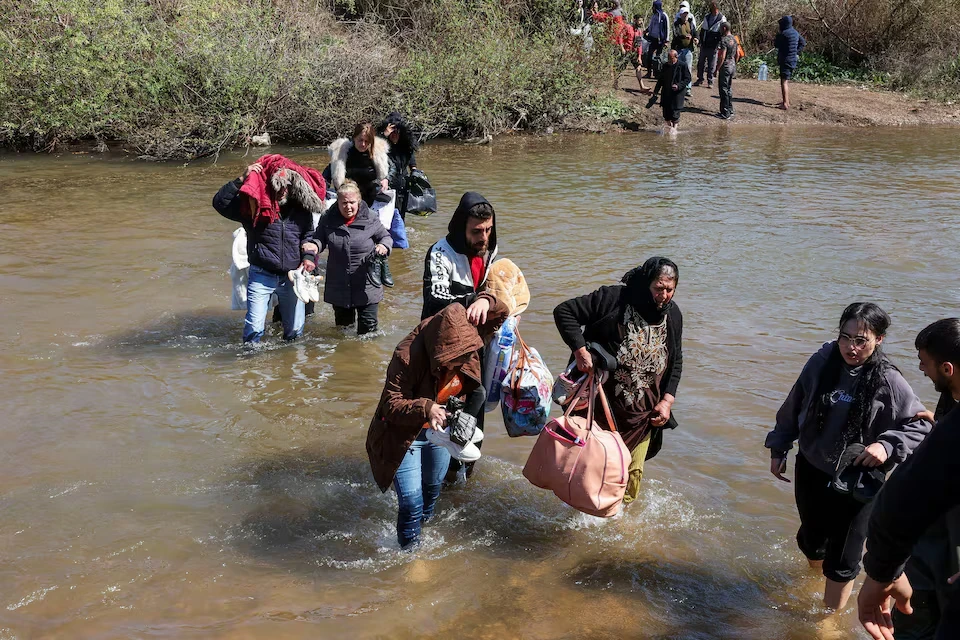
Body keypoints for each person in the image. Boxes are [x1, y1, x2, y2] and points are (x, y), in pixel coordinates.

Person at [764, 303, 932, 611]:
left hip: (857, 480)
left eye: (861, 340)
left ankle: (828, 621)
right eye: (845, 337)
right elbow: (795, 402)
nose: (851, 347)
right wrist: (779, 445)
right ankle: (823, 579)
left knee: (842, 559)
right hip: (812, 467)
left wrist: (887, 444)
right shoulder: (822, 361)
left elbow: (922, 423)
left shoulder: (888, 380)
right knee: (811, 542)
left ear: (879, 340)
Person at [365, 294, 509, 549]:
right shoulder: (407, 355)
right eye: (453, 361)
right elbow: (390, 403)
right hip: (404, 433)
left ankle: (419, 532)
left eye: (466, 357)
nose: (461, 364)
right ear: (440, 351)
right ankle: (409, 556)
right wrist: (427, 408)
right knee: (411, 500)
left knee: (432, 489)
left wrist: (486, 300)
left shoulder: (466, 341)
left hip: (440, 432)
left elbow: (500, 314)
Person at [858, 318, 960, 640]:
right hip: (926, 544)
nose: (920, 369)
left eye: (924, 363)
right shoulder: (950, 406)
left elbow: (898, 505)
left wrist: (880, 572)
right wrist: (941, 421)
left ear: (947, 369)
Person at [553, 257, 683, 503]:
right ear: (646, 284)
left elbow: (675, 360)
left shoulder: (673, 315)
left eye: (670, 289)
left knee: (630, 479)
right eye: (658, 288)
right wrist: (581, 352)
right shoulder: (613, 299)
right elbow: (565, 312)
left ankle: (615, 529)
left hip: (643, 416)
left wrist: (667, 400)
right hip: (601, 409)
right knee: (589, 475)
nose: (664, 295)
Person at [422, 192, 500, 483]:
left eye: (488, 229)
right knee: (442, 410)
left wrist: (491, 300)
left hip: (477, 343)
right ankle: (435, 478)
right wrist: (476, 299)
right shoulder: (440, 253)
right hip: (441, 346)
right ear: (461, 229)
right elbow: (435, 298)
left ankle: (461, 476)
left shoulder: (490, 248)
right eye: (476, 231)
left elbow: (497, 284)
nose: (484, 237)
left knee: (477, 405)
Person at [212, 155, 323, 343]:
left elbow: (308, 236)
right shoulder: (254, 208)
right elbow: (220, 203)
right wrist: (240, 179)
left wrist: (309, 257)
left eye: (286, 185)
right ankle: (251, 364)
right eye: (277, 185)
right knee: (254, 329)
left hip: (292, 276)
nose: (282, 190)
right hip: (262, 274)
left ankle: (290, 366)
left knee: (295, 331)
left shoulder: (301, 209)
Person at [302, 180, 392, 336]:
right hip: (339, 283)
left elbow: (386, 237)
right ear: (338, 202)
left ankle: (366, 360)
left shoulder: (370, 218)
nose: (348, 207)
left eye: (352, 202)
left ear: (359, 201)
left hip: (366, 282)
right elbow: (319, 239)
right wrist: (314, 248)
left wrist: (384, 246)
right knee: (342, 332)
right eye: (344, 203)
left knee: (368, 333)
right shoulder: (328, 218)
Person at [326, 122, 390, 206]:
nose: (363, 144)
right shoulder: (342, 154)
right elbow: (325, 177)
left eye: (366, 141)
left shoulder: (378, 153)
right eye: (360, 140)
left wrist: (387, 179)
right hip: (348, 200)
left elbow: (392, 169)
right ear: (354, 138)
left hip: (371, 198)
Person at [378, 112, 419, 218]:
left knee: (400, 216)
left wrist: (414, 171)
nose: (394, 134)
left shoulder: (405, 145)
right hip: (387, 185)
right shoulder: (382, 145)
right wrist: (384, 135)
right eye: (392, 132)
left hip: (403, 185)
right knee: (386, 216)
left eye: (397, 132)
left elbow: (411, 160)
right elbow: (372, 148)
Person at [647, 49, 691, 132]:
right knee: (666, 114)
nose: (669, 60)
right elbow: (660, 80)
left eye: (671, 58)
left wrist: (678, 85)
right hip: (666, 92)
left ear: (676, 57)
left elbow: (688, 78)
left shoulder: (682, 65)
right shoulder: (665, 66)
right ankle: (670, 128)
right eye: (668, 58)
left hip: (677, 93)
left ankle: (674, 130)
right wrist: (655, 92)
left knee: (675, 113)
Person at [774, 15, 806, 110]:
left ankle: (785, 104)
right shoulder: (795, 33)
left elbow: (776, 45)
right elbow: (803, 43)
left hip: (785, 60)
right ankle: (786, 100)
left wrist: (777, 36)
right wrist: (796, 52)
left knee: (783, 81)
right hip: (793, 59)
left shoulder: (783, 34)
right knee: (786, 80)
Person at [694, 2, 727, 88]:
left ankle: (710, 81)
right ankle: (700, 79)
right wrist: (700, 42)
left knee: (711, 65)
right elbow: (703, 30)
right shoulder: (707, 17)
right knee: (701, 63)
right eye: (713, 8)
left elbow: (723, 32)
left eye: (715, 8)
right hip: (705, 44)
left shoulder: (722, 18)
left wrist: (720, 44)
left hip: (714, 45)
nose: (714, 10)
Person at [671, 3, 698, 96]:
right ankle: (677, 86)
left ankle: (688, 88)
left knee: (688, 68)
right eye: (684, 13)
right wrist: (684, 37)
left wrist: (696, 38)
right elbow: (676, 34)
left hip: (688, 50)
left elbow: (694, 32)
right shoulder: (676, 24)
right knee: (677, 68)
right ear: (681, 14)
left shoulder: (690, 23)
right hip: (678, 49)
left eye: (687, 13)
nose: (686, 15)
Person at [715, 22, 740, 119]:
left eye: (721, 28)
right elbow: (737, 54)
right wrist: (734, 63)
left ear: (724, 28)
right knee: (729, 88)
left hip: (725, 66)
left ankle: (725, 112)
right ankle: (730, 109)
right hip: (732, 65)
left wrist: (717, 68)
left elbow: (722, 56)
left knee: (723, 89)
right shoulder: (734, 39)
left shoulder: (724, 40)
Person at [643, 0, 670, 79]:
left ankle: (657, 73)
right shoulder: (653, 16)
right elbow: (651, 25)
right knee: (649, 55)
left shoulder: (664, 16)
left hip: (660, 40)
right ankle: (648, 72)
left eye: (654, 7)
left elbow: (667, 28)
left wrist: (666, 40)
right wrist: (647, 31)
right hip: (652, 39)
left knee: (658, 57)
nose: (652, 8)